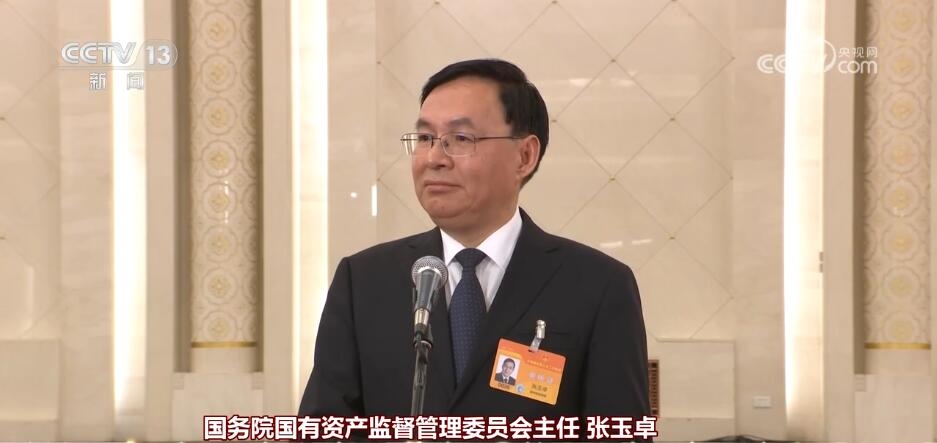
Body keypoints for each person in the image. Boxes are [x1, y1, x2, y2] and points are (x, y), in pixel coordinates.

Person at [299, 58, 649, 423]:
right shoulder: (364, 281)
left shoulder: (597, 286)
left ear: (525, 156)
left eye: (461, 139)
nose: (434, 158)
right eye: (425, 139)